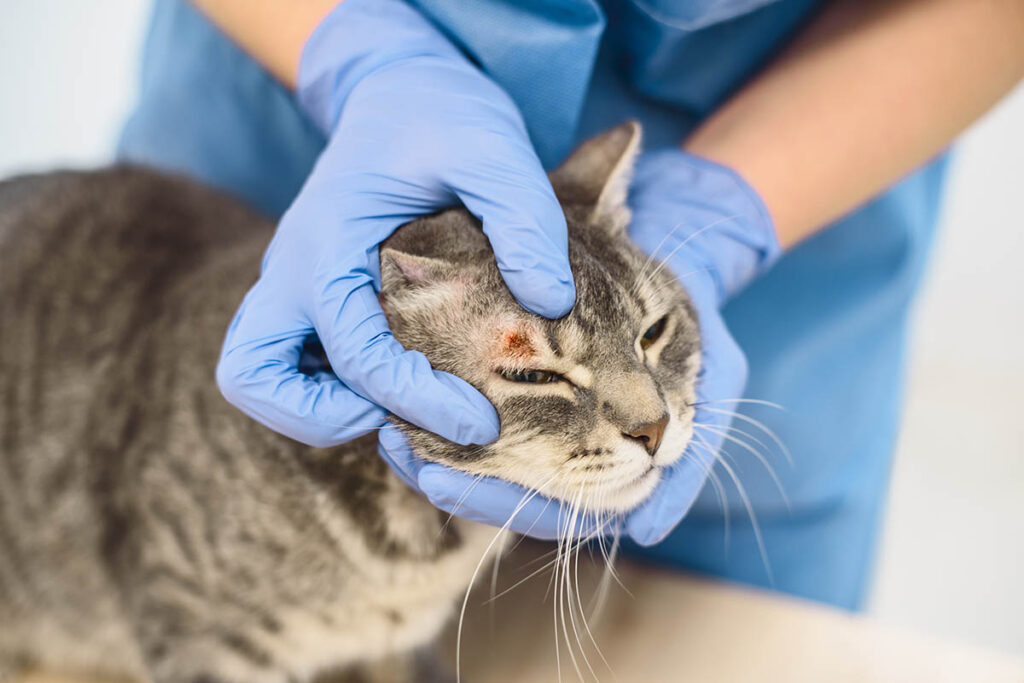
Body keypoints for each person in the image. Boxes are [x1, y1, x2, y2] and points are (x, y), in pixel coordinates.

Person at [119, 0, 1024, 610]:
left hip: (812, 133)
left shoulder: (661, 378)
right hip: (295, 93)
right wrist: (361, 51)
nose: (647, 418)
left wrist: (727, 208)